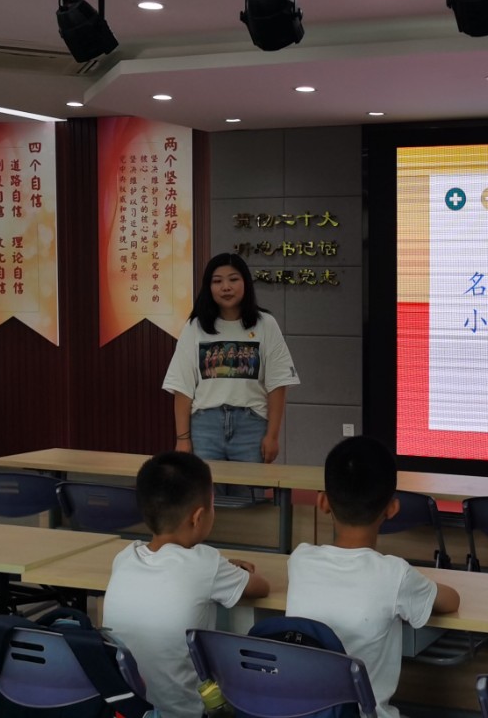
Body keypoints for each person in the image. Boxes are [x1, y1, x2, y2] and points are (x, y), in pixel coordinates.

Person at [285, 437, 460, 718]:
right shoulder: (395, 574)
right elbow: (451, 601)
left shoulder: (300, 560)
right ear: (392, 508)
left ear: (323, 502)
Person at [102, 451, 271, 718]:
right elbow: (261, 587)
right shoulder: (206, 563)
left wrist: (221, 567)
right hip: (186, 713)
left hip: (128, 710)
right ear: (198, 517)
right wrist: (225, 568)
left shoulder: (123, 558)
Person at [165, 253, 299, 466]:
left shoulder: (266, 324)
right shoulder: (195, 327)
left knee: (250, 488)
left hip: (252, 427)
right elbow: (182, 386)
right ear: (209, 287)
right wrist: (182, 439)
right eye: (217, 281)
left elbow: (278, 383)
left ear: (246, 283)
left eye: (233, 279)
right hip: (204, 427)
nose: (226, 287)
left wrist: (272, 436)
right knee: (205, 487)